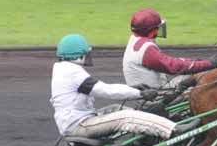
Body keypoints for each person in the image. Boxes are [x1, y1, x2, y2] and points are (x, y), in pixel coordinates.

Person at [50, 33, 199, 140]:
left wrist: (135, 89)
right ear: (78, 55)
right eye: (86, 53)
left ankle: (149, 131)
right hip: (80, 125)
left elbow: (106, 88)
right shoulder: (72, 73)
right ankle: (174, 129)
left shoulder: (64, 69)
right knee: (126, 117)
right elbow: (106, 90)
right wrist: (139, 94)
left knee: (117, 108)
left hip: (76, 121)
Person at [122, 8, 217, 89]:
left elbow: (171, 62)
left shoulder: (135, 40)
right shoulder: (147, 50)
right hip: (156, 96)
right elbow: (174, 66)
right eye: (157, 27)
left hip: (144, 93)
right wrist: (206, 64)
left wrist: (196, 62)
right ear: (152, 30)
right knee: (200, 75)